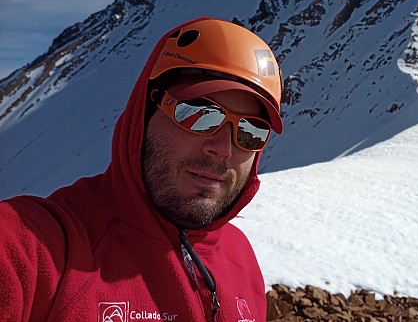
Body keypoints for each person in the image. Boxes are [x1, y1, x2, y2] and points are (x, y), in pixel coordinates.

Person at [0, 17, 284, 322]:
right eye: (199, 114)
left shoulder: (241, 260)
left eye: (251, 131)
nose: (224, 148)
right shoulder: (45, 247)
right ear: (145, 112)